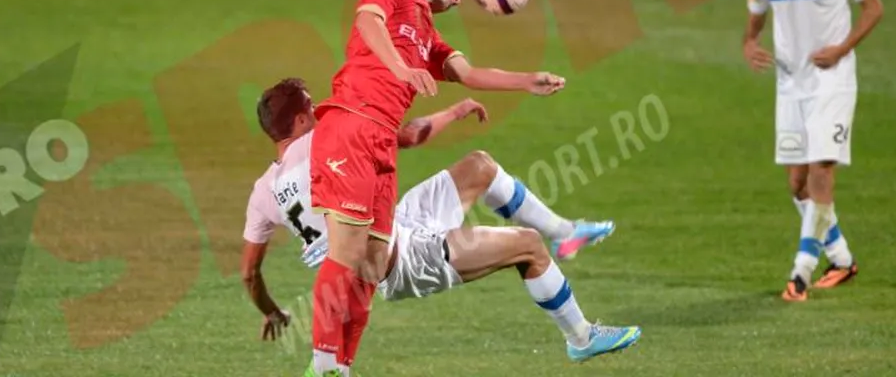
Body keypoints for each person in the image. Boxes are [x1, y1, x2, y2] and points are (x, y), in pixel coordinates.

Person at [241, 78, 641, 372]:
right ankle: (581, 337)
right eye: (312, 107)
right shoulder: (326, 137)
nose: (319, 112)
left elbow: (250, 276)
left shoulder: (262, 193)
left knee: (479, 167)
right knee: (528, 246)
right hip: (403, 259)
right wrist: (454, 111)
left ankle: (567, 234)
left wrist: (273, 313)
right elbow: (410, 136)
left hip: (393, 227)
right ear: (300, 118)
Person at [306, 0, 569, 377]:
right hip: (352, 123)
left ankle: (343, 367)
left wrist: (525, 80)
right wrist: (401, 68)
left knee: (372, 264)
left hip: (383, 144)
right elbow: (368, 22)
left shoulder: (429, 36)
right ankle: (321, 369)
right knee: (347, 253)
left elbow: (470, 73)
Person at [743, 0, 884, 302]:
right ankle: (841, 259)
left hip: (833, 82)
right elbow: (753, 25)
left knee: (822, 171)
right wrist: (750, 46)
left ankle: (800, 273)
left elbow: (873, 7)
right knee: (798, 184)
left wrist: (842, 48)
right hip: (790, 85)